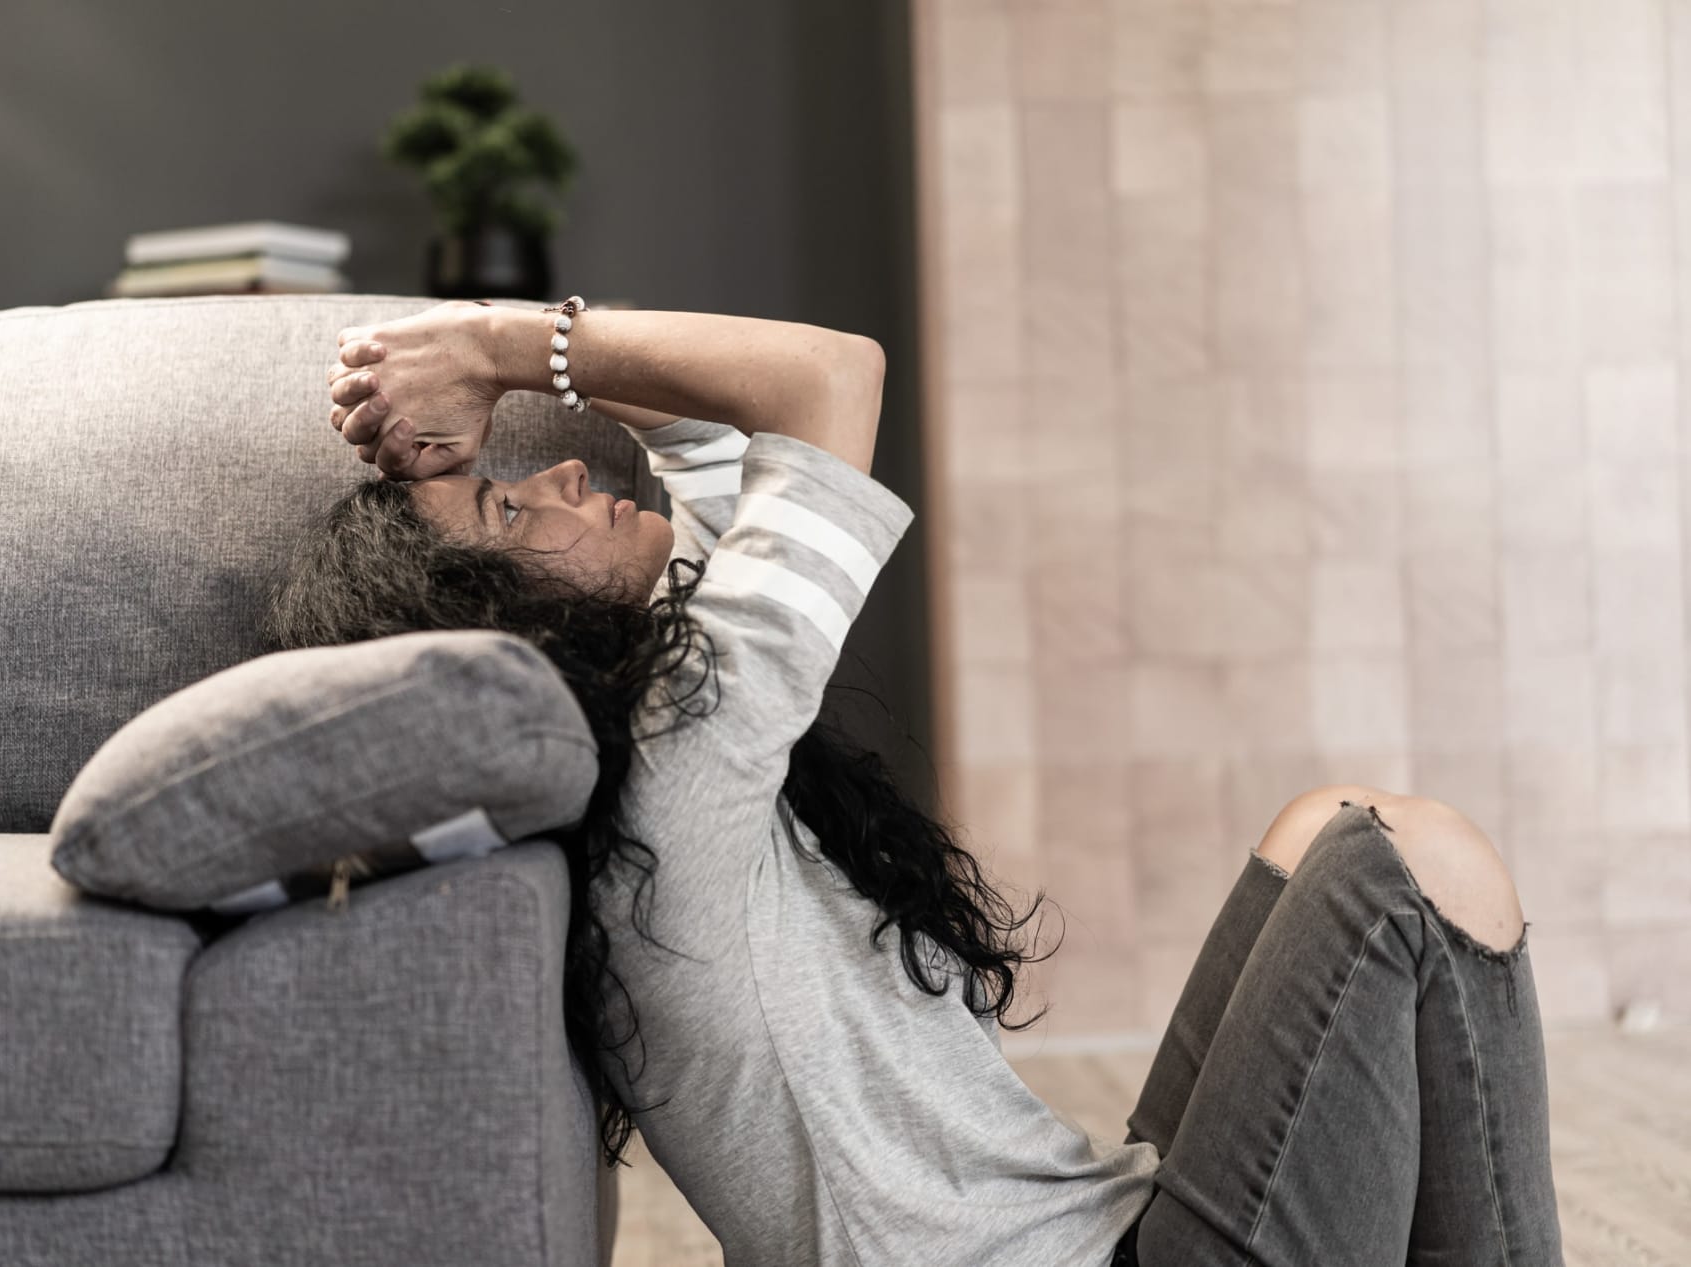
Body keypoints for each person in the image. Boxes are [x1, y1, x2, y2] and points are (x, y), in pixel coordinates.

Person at [272, 299, 1564, 1265]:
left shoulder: (647, 761)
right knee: (1409, 862)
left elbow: (710, 439)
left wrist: (459, 380)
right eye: (509, 513)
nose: (562, 470)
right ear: (524, 644)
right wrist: (505, 350)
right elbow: (829, 377)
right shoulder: (678, 781)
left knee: (1316, 829)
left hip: (1096, 1220)